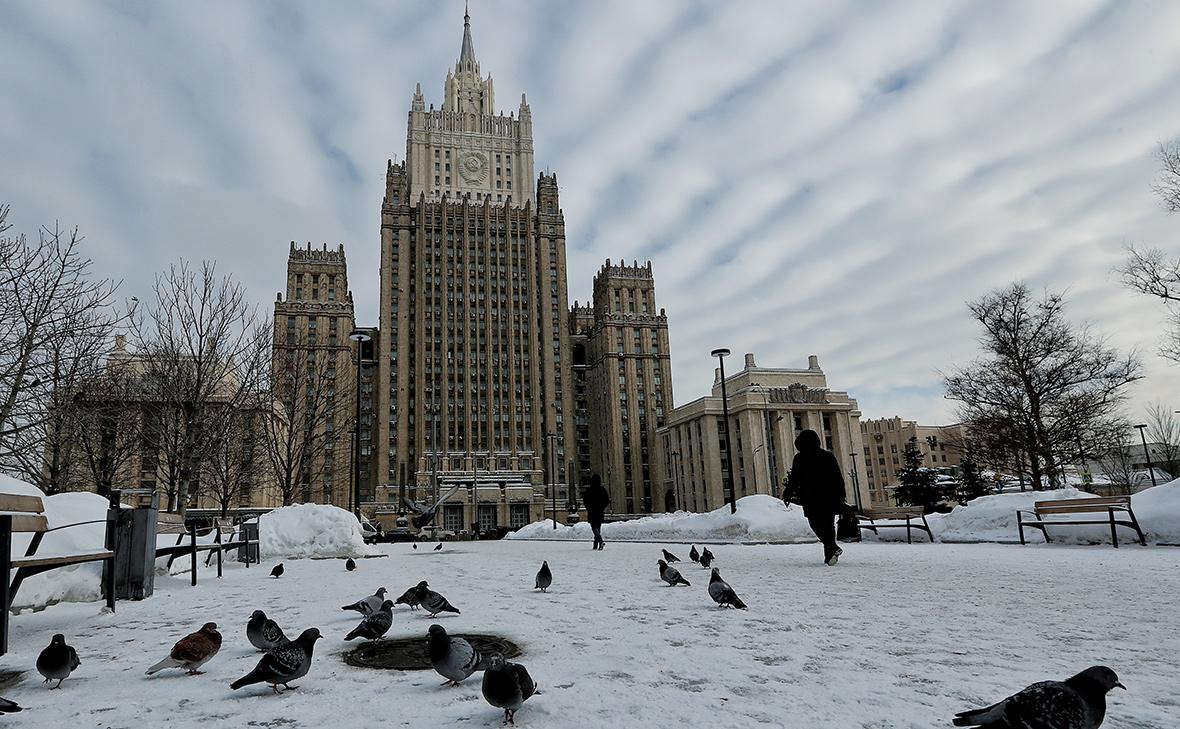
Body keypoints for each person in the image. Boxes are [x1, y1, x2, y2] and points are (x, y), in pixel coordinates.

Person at [786, 429, 847, 565]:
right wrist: (841, 495)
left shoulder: (800, 458)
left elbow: (794, 479)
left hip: (812, 497)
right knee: (827, 525)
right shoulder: (826, 456)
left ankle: (831, 551)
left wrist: (788, 493)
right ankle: (830, 552)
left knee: (815, 523)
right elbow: (837, 477)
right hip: (828, 496)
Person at [582, 472, 610, 550]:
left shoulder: (589, 490)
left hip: (592, 511)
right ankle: (595, 545)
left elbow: (585, 500)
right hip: (600, 511)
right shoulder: (602, 490)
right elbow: (607, 500)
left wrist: (588, 508)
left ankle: (600, 542)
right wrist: (602, 507)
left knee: (594, 527)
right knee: (598, 527)